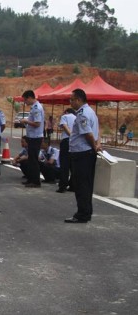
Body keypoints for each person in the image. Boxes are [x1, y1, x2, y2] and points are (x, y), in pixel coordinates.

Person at [65, 88, 100, 224]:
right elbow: (97, 130)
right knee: (87, 184)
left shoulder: (82, 114)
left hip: (82, 154)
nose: (70, 102)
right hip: (87, 153)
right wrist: (97, 144)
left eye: (72, 100)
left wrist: (94, 145)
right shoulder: (90, 111)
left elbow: (88, 134)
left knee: (81, 185)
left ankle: (82, 214)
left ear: (79, 100)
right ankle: (87, 211)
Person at [20, 90, 45, 188]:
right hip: (32, 136)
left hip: (35, 137)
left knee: (34, 160)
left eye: (25, 100)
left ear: (30, 97)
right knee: (31, 159)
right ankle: (30, 179)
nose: (25, 102)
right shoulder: (34, 107)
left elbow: (37, 123)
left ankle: (35, 181)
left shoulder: (37, 108)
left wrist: (26, 121)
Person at [57, 108, 76, 193]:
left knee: (64, 165)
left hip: (66, 141)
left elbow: (64, 126)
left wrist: (70, 136)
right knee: (73, 165)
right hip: (75, 142)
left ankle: (63, 186)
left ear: (66, 112)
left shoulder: (65, 116)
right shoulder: (77, 117)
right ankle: (73, 185)